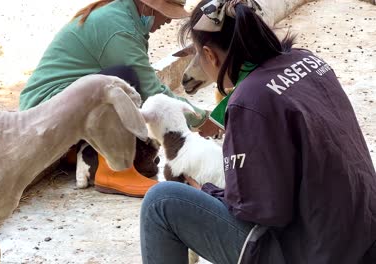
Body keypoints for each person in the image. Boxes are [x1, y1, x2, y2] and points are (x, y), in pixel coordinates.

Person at [140, 0, 376, 263]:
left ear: (210, 55)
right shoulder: (308, 60)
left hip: (318, 252)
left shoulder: (248, 100)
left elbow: (261, 210)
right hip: (362, 237)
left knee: (159, 203)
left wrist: (207, 191)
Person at [19, 0, 211, 198]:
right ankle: (114, 172)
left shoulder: (122, 17)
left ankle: (86, 155)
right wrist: (202, 119)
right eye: (165, 12)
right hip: (45, 115)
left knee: (127, 96)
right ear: (147, 5)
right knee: (122, 80)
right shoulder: (118, 28)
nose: (168, 20)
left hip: (57, 113)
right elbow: (152, 92)